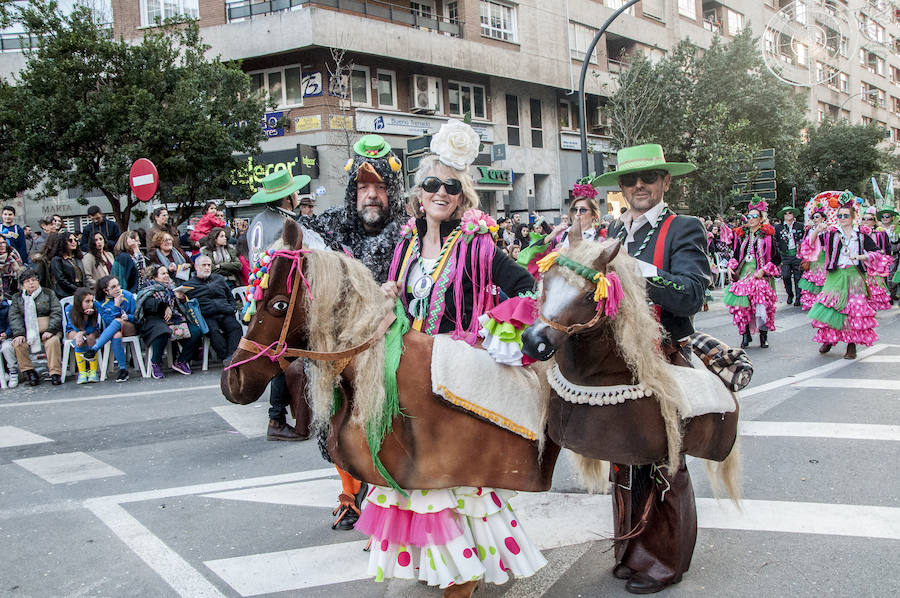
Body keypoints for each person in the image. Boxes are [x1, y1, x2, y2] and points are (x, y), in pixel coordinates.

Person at [373, 120, 544, 597]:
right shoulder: (406, 244)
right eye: (432, 184)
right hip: (410, 374)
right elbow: (401, 304)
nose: (440, 192)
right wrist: (389, 293)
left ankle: (464, 564)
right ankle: (438, 559)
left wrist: (498, 325)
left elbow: (526, 287)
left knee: (449, 472)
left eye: (451, 186)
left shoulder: (477, 243)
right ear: (419, 195)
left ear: (463, 195)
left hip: (453, 375)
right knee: (418, 466)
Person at [600, 144, 710, 594]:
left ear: (666, 182)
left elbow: (689, 295)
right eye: (630, 180)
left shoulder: (683, 227)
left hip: (664, 360)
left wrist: (637, 270)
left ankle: (666, 561)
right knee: (624, 460)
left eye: (649, 177)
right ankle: (631, 552)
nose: (639, 186)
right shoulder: (612, 230)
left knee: (665, 462)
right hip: (617, 366)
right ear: (622, 188)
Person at [300, 134, 411, 529]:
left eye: (380, 187)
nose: (372, 196)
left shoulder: (407, 231)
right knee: (333, 418)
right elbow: (295, 246)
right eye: (364, 187)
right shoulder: (329, 226)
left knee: (386, 420)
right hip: (340, 347)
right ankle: (349, 494)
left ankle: (386, 505)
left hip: (392, 343)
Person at [246, 168, 312, 441]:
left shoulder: (256, 221)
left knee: (275, 352)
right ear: (287, 198)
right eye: (294, 192)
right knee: (283, 355)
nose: (297, 196)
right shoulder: (288, 224)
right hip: (280, 297)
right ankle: (277, 418)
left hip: (258, 293)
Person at [807, 198, 881, 359]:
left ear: (853, 217)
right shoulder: (832, 234)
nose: (842, 218)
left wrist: (860, 256)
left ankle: (851, 345)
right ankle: (828, 339)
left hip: (855, 276)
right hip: (836, 275)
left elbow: (877, 253)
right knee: (831, 308)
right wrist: (816, 230)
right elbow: (811, 244)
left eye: (845, 216)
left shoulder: (861, 235)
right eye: (839, 216)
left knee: (853, 310)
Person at [723, 200, 781, 349]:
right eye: (749, 217)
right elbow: (735, 255)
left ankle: (763, 335)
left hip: (760, 274)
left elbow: (776, 258)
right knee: (742, 305)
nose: (751, 219)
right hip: (744, 275)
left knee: (761, 304)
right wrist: (731, 267)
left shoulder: (768, 237)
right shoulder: (742, 236)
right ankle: (745, 334)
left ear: (761, 219)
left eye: (755, 216)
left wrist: (763, 270)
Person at [135, 264, 203, 379]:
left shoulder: (172, 288)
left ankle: (181, 361)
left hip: (175, 318)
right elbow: (147, 305)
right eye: (163, 274)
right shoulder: (148, 288)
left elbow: (181, 307)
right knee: (162, 332)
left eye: (167, 273)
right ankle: (155, 363)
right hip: (154, 319)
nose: (166, 276)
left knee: (196, 331)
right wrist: (164, 306)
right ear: (154, 277)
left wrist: (180, 298)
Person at [9, 269, 63, 386]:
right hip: (28, 332)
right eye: (27, 281)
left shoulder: (48, 293)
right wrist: (19, 333)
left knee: (52, 341)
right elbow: (14, 317)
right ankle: (30, 372)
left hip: (48, 329)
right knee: (18, 343)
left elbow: (56, 312)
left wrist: (50, 330)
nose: (31, 283)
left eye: (33, 280)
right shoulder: (17, 298)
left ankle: (55, 373)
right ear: (22, 285)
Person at [185, 255, 242, 362]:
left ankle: (233, 356)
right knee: (213, 331)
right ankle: (226, 357)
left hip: (225, 311)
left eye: (209, 265)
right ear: (196, 267)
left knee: (236, 327)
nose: (207, 268)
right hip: (207, 315)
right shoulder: (189, 285)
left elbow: (230, 296)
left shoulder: (219, 279)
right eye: (204, 265)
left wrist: (232, 308)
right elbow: (187, 304)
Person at [93, 275, 136, 382]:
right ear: (106, 291)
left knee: (118, 321)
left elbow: (138, 317)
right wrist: (116, 306)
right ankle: (123, 370)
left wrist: (128, 317)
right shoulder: (100, 303)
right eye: (113, 287)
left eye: (118, 285)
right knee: (116, 334)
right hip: (113, 330)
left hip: (131, 327)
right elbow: (108, 321)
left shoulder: (128, 295)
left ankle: (94, 348)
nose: (117, 288)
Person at [64, 287, 102, 384]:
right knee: (78, 339)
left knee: (90, 337)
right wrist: (80, 332)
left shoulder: (95, 308)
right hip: (74, 330)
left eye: (92, 301)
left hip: (90, 331)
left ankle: (93, 371)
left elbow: (94, 327)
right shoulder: (70, 309)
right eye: (87, 301)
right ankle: (82, 372)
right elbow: (75, 328)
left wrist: (87, 319)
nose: (91, 304)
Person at [859, 206, 893, 312]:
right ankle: (864, 307)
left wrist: (884, 261)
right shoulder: (856, 232)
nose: (866, 221)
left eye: (869, 219)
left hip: (875, 265)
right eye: (864, 219)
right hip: (861, 264)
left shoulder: (880, 233)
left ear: (874, 222)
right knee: (862, 286)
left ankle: (872, 307)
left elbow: (887, 248)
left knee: (874, 287)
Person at [774, 206, 804, 306]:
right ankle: (789, 294)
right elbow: (776, 241)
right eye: (786, 214)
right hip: (785, 255)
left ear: (793, 215)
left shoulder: (800, 226)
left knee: (798, 276)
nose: (788, 215)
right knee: (786, 276)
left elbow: (805, 238)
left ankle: (798, 297)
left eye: (790, 213)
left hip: (797, 255)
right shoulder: (778, 227)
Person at [48, 231, 86, 299]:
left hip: (80, 290)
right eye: (70, 240)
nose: (73, 242)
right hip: (65, 294)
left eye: (75, 240)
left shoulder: (78, 258)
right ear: (63, 242)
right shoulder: (57, 259)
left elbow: (83, 276)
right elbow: (61, 279)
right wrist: (77, 289)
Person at [0, 298, 19, 388]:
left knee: (6, 348)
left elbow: (13, 323)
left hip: (6, 337)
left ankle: (13, 372)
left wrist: (6, 334)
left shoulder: (7, 307)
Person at [0, 235, 25, 299]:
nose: (2, 245)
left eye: (3, 242)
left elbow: (20, 269)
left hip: (11, 286)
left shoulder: (12, 252)